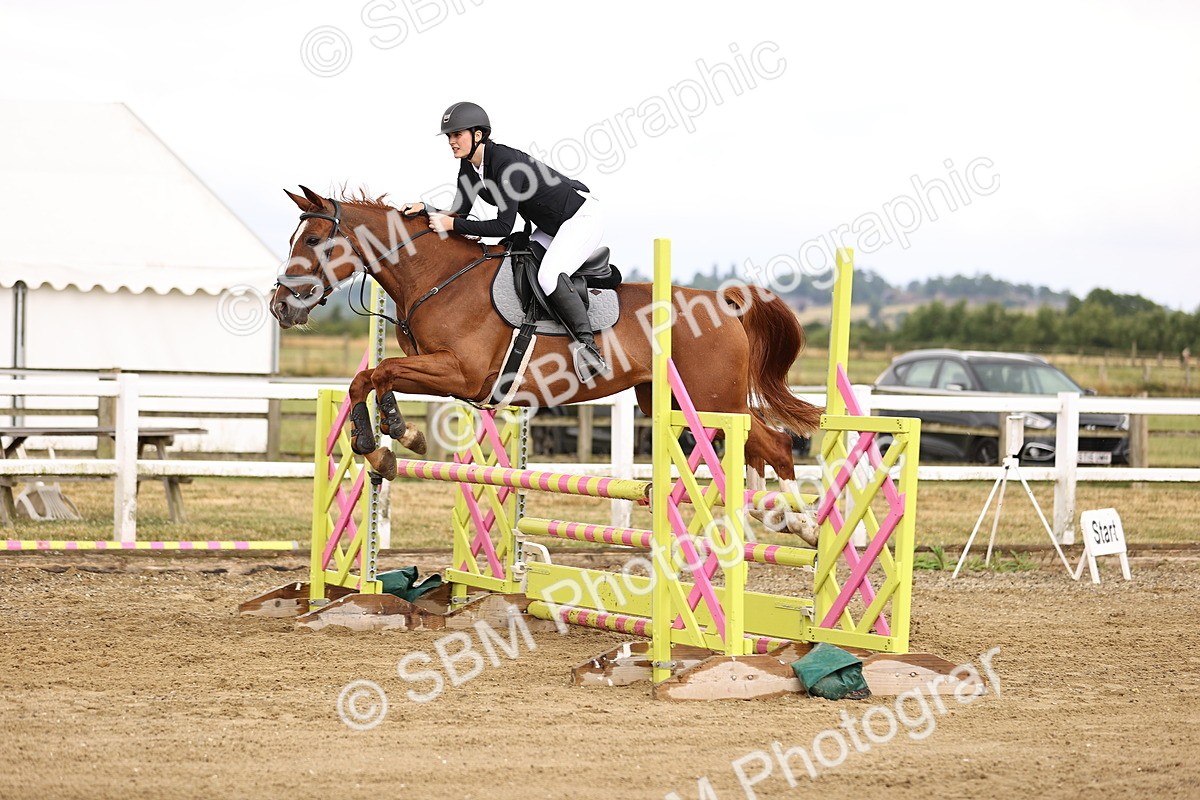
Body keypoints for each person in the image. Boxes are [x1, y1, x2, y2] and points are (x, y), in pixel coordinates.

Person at [401, 101, 608, 383]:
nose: (451, 141)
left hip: (581, 218)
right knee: (517, 263)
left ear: (478, 135)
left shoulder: (507, 165)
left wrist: (451, 223)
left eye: (457, 134)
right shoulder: (469, 167)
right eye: (449, 136)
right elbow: (458, 212)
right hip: (551, 225)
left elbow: (502, 225)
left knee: (548, 276)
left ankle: (588, 349)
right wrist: (426, 209)